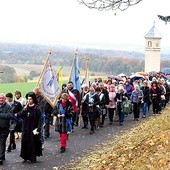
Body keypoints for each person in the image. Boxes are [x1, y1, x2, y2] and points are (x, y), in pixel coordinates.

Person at [15, 92, 42, 163]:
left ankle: (32, 157)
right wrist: (23, 110)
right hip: (25, 127)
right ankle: (25, 157)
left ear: (33, 100)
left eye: (30, 99)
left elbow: (40, 120)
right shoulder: (25, 108)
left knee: (32, 142)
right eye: (28, 99)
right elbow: (19, 115)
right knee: (24, 141)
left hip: (33, 128)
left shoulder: (37, 108)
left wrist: (38, 128)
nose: (29, 101)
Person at [0, 93, 12, 165]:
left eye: (2, 98)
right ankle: (2, 155)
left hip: (4, 128)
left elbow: (10, 115)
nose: (1, 99)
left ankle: (1, 157)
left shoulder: (8, 106)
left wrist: (1, 115)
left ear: (5, 99)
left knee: (2, 142)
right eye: (0, 98)